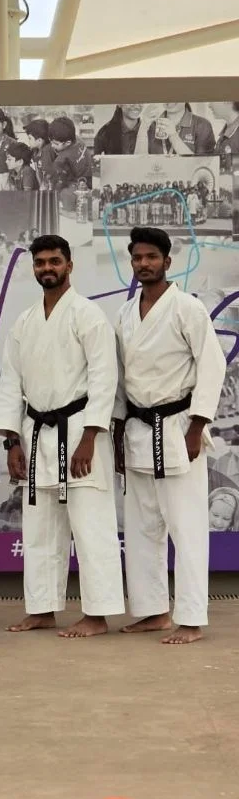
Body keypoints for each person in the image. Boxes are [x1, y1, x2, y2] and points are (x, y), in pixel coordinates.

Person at [0, 234, 126, 637]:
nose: (47, 268)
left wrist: (90, 437)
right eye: (41, 263)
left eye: (54, 261)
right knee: (39, 529)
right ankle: (42, 609)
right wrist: (12, 442)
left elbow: (105, 379)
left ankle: (97, 614)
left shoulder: (88, 315)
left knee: (91, 527)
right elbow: (11, 385)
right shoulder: (24, 322)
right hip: (36, 435)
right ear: (34, 268)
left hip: (81, 431)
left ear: (70, 265)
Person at [114, 227, 226, 644]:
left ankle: (192, 618)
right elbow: (120, 378)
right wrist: (118, 427)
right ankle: (153, 611)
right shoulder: (126, 313)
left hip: (178, 429)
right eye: (137, 258)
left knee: (187, 526)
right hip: (138, 430)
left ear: (167, 261)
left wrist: (198, 424)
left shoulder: (187, 308)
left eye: (151, 257)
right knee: (142, 528)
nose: (144, 264)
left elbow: (212, 365)